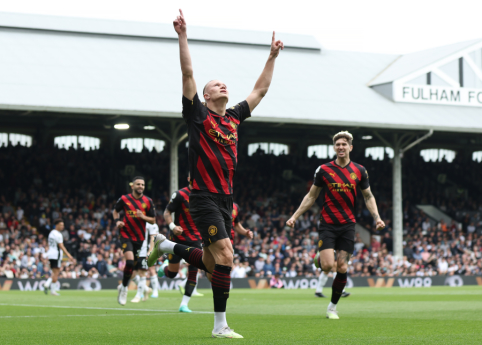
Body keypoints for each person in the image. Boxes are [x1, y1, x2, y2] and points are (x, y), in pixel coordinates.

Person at [148, 9, 283, 338]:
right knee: (226, 255)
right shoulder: (197, 115)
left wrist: (272, 56)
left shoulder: (235, 116)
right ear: (206, 96)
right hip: (203, 197)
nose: (222, 85)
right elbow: (188, 73)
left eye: (224, 83)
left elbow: (260, 90)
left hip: (226, 199)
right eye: (215, 85)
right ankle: (220, 326)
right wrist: (182, 35)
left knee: (212, 264)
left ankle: (166, 246)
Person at [287, 131, 385, 319]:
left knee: (342, 267)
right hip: (328, 224)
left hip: (348, 225)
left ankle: (332, 307)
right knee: (327, 266)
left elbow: (368, 196)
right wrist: (295, 216)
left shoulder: (360, 170)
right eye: (337, 144)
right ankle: (322, 258)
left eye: (344, 144)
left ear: (350, 147)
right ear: (334, 147)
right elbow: (311, 196)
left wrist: (377, 217)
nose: (341, 147)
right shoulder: (323, 170)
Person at [159, 174, 203, 313]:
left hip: (195, 240)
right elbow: (167, 212)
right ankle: (164, 268)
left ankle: (184, 304)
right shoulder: (180, 194)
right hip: (177, 239)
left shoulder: (205, 196)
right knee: (172, 274)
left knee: (193, 271)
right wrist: (173, 227)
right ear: (188, 177)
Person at [113, 176, 155, 306]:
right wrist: (117, 221)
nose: (141, 186)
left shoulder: (148, 201)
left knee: (132, 268)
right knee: (130, 262)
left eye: (142, 184)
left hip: (140, 238)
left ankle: (123, 287)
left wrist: (143, 216)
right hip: (126, 234)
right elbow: (115, 211)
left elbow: (153, 220)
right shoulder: (125, 199)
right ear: (132, 186)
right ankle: (124, 289)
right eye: (138, 184)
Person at [43, 218, 75, 296]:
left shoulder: (51, 233)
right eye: (61, 225)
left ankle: (48, 284)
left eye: (63, 225)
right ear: (56, 225)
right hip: (56, 255)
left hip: (51, 254)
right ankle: (52, 290)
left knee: (54, 272)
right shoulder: (58, 234)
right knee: (56, 273)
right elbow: (61, 245)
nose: (62, 226)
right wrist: (68, 255)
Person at [130, 221, 158, 302]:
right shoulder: (133, 220)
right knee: (132, 274)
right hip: (134, 251)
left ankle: (138, 295)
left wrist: (150, 250)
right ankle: (146, 289)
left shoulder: (150, 223)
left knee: (143, 273)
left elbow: (153, 237)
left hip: (143, 251)